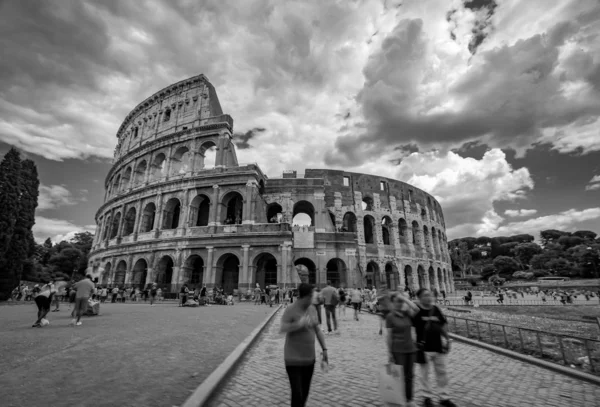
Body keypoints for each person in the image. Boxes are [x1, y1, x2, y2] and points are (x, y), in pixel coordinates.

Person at [280, 283, 328, 407]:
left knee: (305, 393)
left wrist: (325, 349)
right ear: (306, 296)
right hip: (293, 359)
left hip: (309, 359)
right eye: (312, 295)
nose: (315, 297)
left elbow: (317, 330)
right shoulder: (290, 309)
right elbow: (283, 328)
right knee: (297, 394)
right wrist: (298, 324)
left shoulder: (311, 308)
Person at [414, 289, 456, 407]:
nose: (429, 297)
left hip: (438, 346)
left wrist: (447, 339)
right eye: (426, 295)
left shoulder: (436, 309)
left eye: (430, 295)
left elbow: (443, 324)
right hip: (423, 348)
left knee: (442, 373)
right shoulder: (416, 311)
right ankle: (427, 397)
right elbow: (411, 328)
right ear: (420, 298)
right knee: (424, 374)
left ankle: (444, 397)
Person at [386, 292, 419, 406]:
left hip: (410, 348)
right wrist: (390, 353)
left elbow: (417, 309)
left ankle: (409, 400)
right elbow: (389, 336)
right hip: (398, 350)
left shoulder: (407, 313)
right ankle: (399, 398)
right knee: (399, 376)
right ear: (393, 303)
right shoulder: (390, 317)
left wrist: (404, 299)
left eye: (401, 302)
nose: (400, 303)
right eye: (397, 301)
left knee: (410, 376)